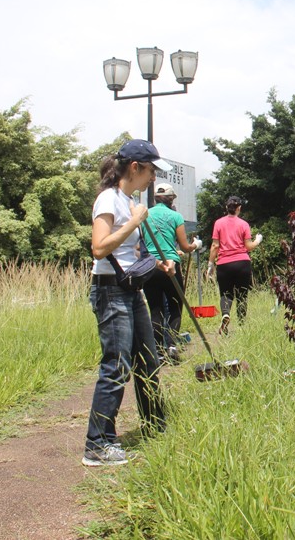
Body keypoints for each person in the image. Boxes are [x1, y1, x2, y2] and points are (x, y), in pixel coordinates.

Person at [83, 139, 173, 466]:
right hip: (109, 291)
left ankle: (155, 424)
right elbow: (99, 247)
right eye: (150, 171)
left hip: (129, 290)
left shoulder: (128, 199)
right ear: (135, 168)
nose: (152, 178)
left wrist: (156, 262)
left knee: (148, 360)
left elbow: (130, 252)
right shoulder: (109, 199)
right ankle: (97, 444)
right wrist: (135, 221)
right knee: (116, 366)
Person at [142, 182, 203, 363]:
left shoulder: (145, 215)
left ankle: (158, 351)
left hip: (150, 266)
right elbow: (184, 246)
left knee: (155, 308)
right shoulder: (176, 216)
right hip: (171, 265)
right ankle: (171, 345)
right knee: (176, 306)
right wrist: (195, 245)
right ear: (171, 199)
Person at [208, 196, 262, 335]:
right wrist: (257, 240)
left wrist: (210, 264)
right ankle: (242, 325)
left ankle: (226, 314)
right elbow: (248, 246)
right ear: (239, 208)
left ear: (226, 208)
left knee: (226, 294)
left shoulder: (218, 223)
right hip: (242, 263)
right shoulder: (243, 224)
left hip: (224, 264)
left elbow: (215, 246)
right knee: (242, 295)